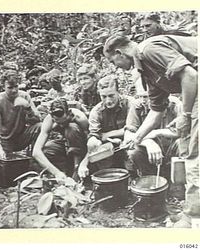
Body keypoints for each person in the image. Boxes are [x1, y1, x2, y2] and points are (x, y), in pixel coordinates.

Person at [103, 34, 198, 227]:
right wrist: (137, 137)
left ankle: (193, 218)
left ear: (119, 53)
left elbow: (190, 75)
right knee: (191, 149)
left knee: (193, 154)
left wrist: (185, 115)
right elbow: (156, 111)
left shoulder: (148, 50)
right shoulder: (147, 71)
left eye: (114, 61)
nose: (116, 67)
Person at [0, 70, 41, 169]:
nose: (14, 90)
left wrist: (28, 108)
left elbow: (37, 119)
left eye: (16, 87)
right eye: (10, 87)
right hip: (3, 140)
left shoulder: (24, 96)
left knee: (40, 127)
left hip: (20, 137)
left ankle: (34, 158)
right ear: (3, 87)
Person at [78, 75, 132, 179]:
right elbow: (94, 137)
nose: (108, 101)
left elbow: (134, 128)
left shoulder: (130, 104)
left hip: (129, 144)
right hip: (108, 147)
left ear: (118, 91)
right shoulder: (96, 111)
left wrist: (107, 134)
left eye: (111, 95)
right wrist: (83, 163)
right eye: (104, 97)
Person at [124, 90, 182, 179]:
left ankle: (179, 181)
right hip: (149, 154)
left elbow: (182, 131)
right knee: (134, 151)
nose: (143, 100)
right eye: (140, 96)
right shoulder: (138, 107)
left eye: (146, 97)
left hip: (171, 149)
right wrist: (148, 142)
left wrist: (156, 132)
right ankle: (148, 179)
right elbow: (128, 136)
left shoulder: (175, 105)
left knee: (182, 143)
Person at [32, 98, 89, 180]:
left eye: (64, 122)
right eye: (58, 123)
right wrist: (56, 172)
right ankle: (64, 172)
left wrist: (83, 164)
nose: (61, 126)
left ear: (69, 113)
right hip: (65, 143)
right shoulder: (49, 120)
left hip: (81, 147)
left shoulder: (80, 118)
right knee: (47, 150)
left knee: (71, 128)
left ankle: (76, 172)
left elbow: (91, 145)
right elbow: (36, 152)